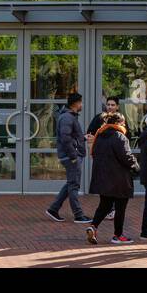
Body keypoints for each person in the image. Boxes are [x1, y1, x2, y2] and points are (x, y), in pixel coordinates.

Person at [85, 113, 139, 245]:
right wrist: (136, 166)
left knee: (104, 205)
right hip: (119, 178)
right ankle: (118, 235)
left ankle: (93, 226)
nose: (125, 125)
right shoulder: (120, 137)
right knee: (120, 207)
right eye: (123, 123)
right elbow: (126, 157)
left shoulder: (100, 135)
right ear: (119, 123)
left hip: (103, 178)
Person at [45, 92, 89, 223]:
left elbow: (71, 136)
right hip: (71, 157)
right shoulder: (67, 118)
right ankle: (78, 215)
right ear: (76, 103)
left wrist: (83, 138)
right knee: (74, 185)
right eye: (81, 102)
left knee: (70, 183)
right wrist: (74, 156)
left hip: (70, 156)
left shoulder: (69, 117)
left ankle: (53, 209)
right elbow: (65, 138)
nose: (82, 105)